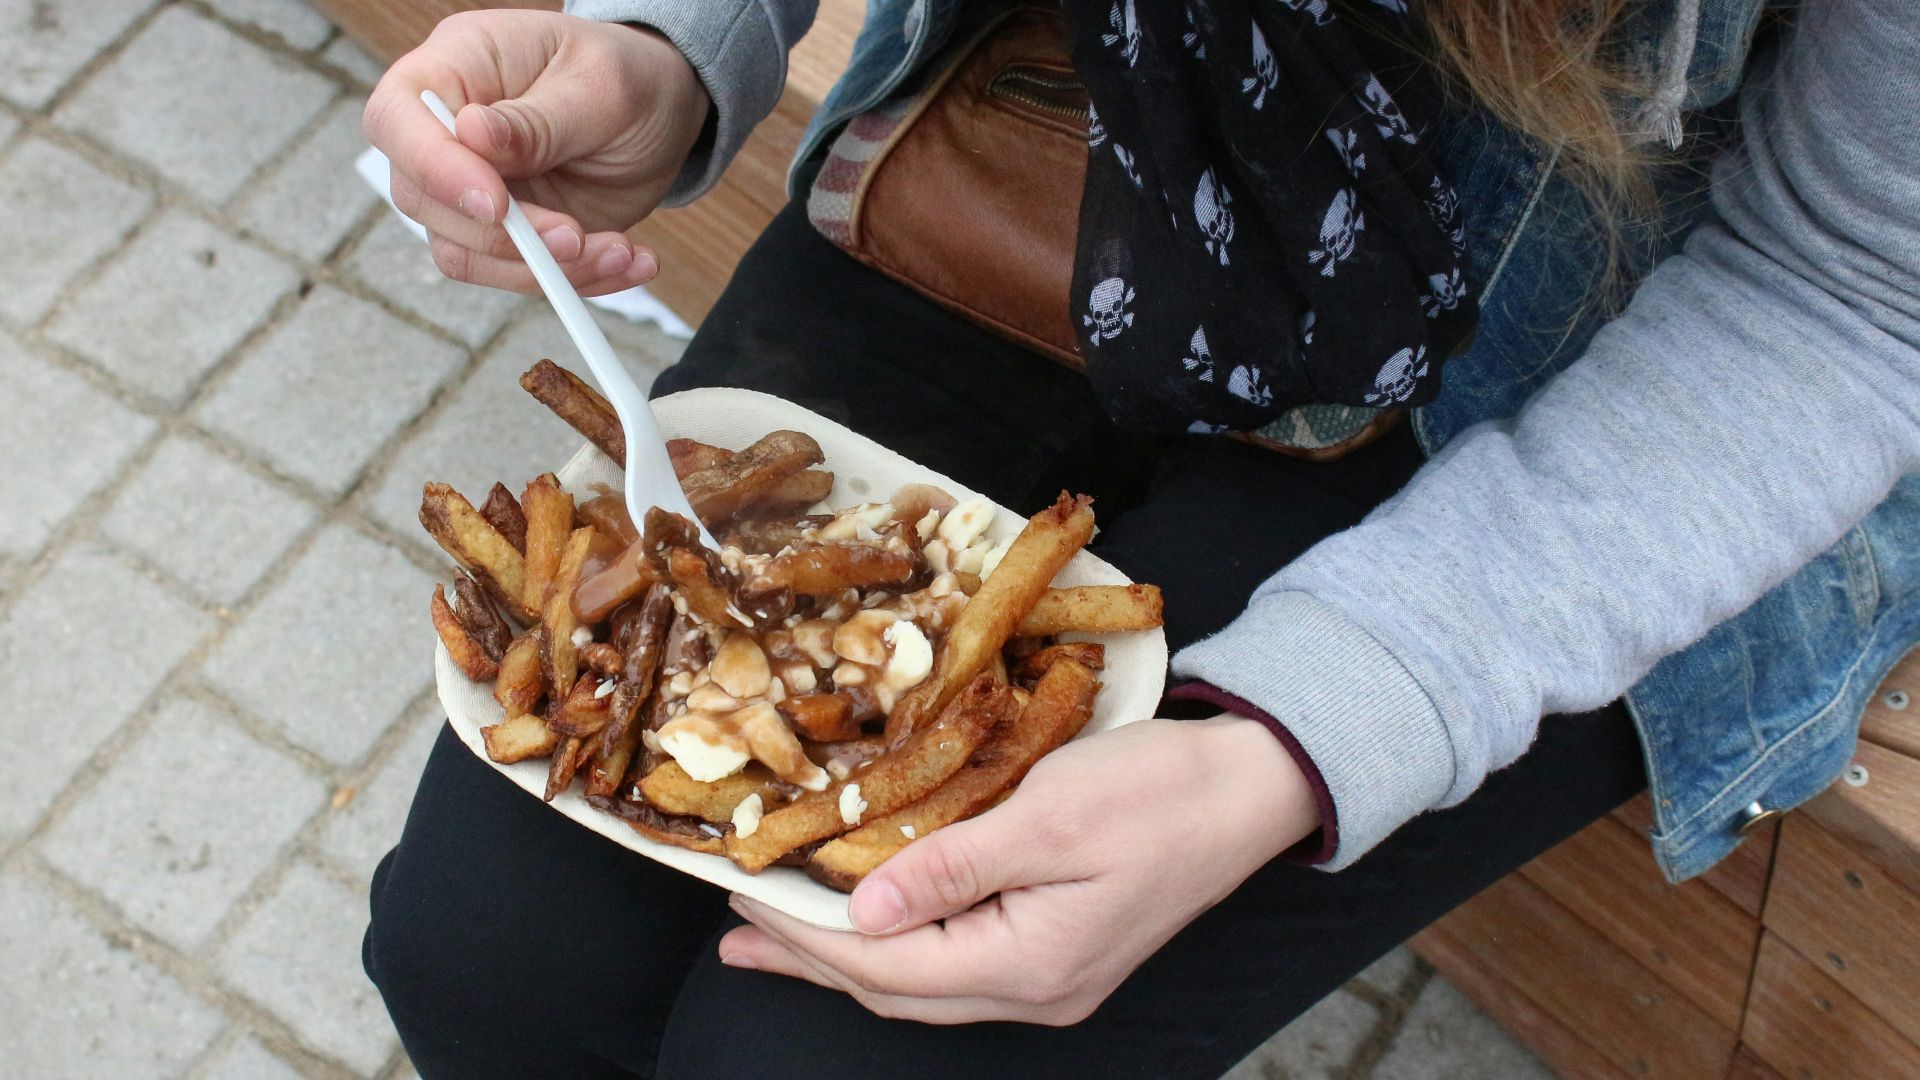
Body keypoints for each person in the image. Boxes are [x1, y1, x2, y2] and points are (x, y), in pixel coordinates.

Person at [360, 0, 1920, 1076]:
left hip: (1593, 372)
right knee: (482, 957)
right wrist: (665, 47)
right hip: (1059, 117)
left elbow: (1852, 289)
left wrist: (1302, 742)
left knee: (819, 1061)